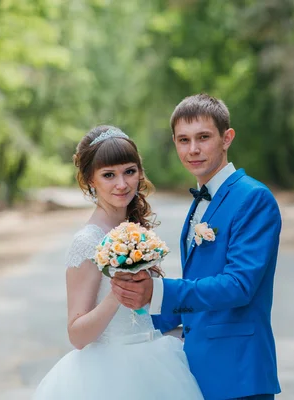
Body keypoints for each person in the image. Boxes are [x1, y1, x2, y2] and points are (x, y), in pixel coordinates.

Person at [111, 94, 282, 399]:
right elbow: (197, 290)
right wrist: (131, 322)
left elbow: (239, 285)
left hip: (239, 372)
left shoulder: (253, 198)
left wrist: (158, 291)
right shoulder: (200, 203)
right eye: (183, 140)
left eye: (203, 137)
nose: (193, 150)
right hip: (197, 368)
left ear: (226, 138)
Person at [32, 125, 203, 399]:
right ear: (90, 179)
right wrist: (117, 293)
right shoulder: (87, 241)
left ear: (140, 173)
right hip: (107, 378)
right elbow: (77, 335)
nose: (122, 184)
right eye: (109, 175)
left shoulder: (135, 230)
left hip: (154, 364)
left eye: (129, 171)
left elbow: (145, 311)